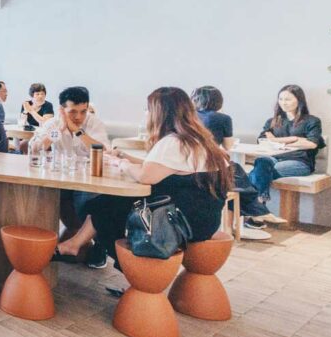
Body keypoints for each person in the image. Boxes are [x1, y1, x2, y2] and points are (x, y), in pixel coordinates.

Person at [58, 87, 231, 270]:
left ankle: (131, 267)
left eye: (148, 109)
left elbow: (145, 176)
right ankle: (76, 246)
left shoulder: (173, 142)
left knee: (104, 205)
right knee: (108, 204)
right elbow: (163, 167)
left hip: (178, 223)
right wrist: (124, 157)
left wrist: (121, 164)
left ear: (159, 113)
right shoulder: (197, 140)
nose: (146, 114)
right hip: (205, 220)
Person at [30, 86, 110, 267]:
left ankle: (99, 245)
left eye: (83, 111)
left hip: (88, 181)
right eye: (72, 112)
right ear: (61, 110)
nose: (78, 117)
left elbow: (103, 150)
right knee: (42, 198)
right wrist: (59, 129)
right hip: (61, 180)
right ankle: (41, 245)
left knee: (88, 205)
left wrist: (78, 131)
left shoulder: (93, 123)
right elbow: (35, 148)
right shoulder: (54, 124)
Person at [190, 85, 274, 229]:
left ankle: (251, 215)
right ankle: (256, 212)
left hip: (191, 163)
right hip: (209, 165)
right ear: (218, 101)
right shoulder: (223, 118)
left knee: (235, 174)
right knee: (235, 173)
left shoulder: (188, 116)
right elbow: (228, 146)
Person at [248, 84, 324, 222]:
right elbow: (262, 140)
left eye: (288, 99)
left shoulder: (311, 121)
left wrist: (277, 141)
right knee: (261, 162)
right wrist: (294, 139)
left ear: (299, 100)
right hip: (274, 159)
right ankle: (259, 212)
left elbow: (312, 143)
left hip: (300, 162)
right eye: (281, 99)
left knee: (254, 174)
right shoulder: (273, 121)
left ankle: (257, 214)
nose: (283, 102)